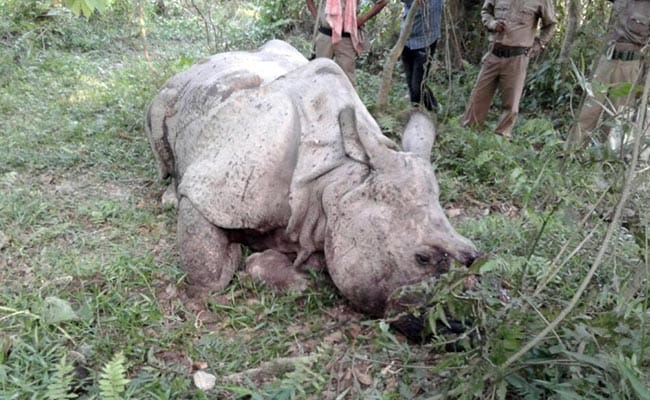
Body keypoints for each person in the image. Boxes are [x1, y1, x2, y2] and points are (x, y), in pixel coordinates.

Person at [461, 0, 557, 139]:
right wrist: (492, 24)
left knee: (511, 104)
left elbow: (551, 25)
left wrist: (538, 45)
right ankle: (468, 134)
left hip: (517, 57)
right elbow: (486, 11)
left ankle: (501, 138)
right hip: (493, 52)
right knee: (478, 95)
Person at [567, 0, 650, 150]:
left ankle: (604, 159)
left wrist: (643, 83)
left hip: (630, 65)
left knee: (617, 115)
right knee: (589, 108)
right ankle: (573, 151)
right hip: (606, 60)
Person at [306, 0, 389, 85]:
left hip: (346, 39)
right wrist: (317, 17)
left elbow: (383, 2)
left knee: (347, 81)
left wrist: (361, 20)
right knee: (318, 75)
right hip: (325, 35)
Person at [400, 0, 443, 112]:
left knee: (417, 86)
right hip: (406, 38)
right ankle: (420, 110)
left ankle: (432, 109)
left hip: (426, 40)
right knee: (412, 85)